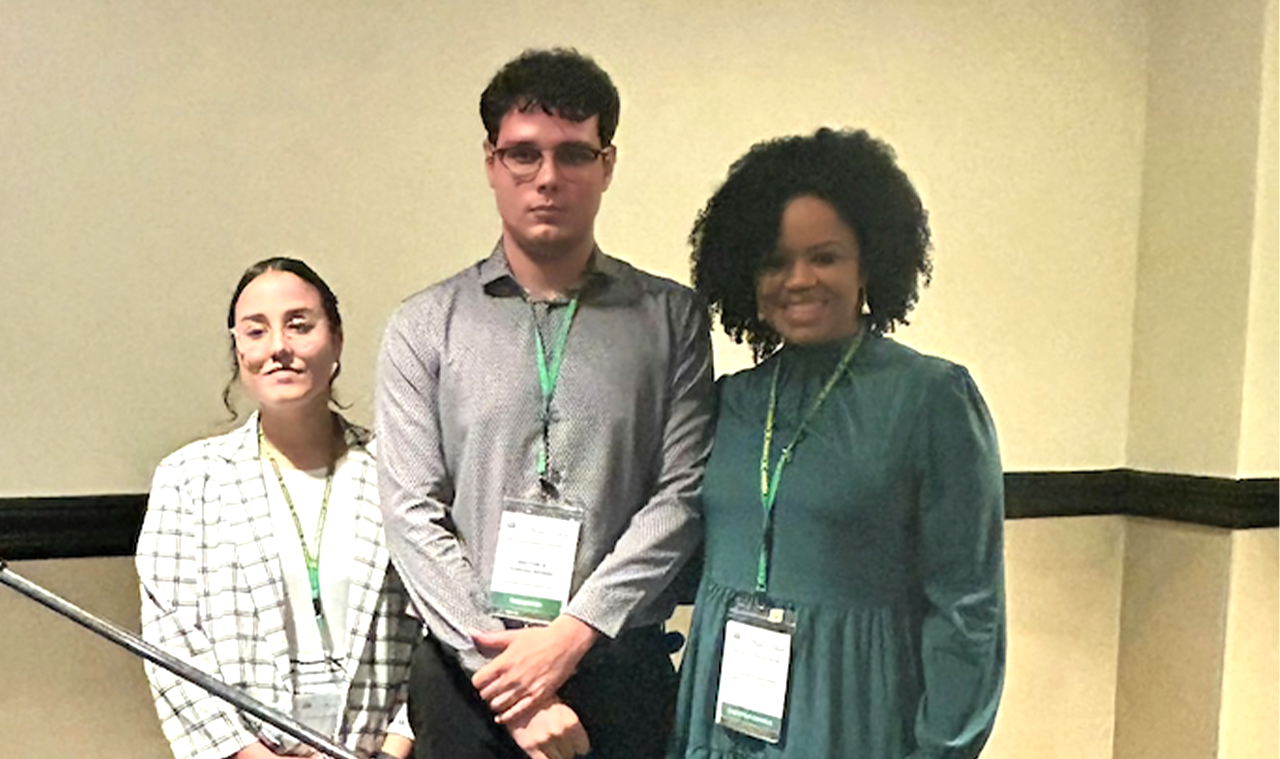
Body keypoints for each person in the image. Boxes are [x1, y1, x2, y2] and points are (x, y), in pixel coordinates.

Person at [376, 48, 714, 759]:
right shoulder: (423, 324)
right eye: (523, 154)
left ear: (608, 164)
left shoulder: (672, 318)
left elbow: (679, 497)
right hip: (470, 675)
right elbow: (412, 513)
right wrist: (512, 683)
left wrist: (570, 635)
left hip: (617, 667)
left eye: (573, 153)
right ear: (492, 163)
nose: (548, 178)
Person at [668, 128, 1005, 759]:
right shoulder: (730, 401)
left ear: (868, 264)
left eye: (824, 256)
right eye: (774, 261)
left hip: (853, 709)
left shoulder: (931, 398)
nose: (798, 279)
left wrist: (942, 749)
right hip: (724, 711)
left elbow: (968, 607)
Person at [137, 257, 420, 759]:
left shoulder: (399, 473)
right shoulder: (188, 480)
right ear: (238, 349)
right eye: (256, 331)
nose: (278, 348)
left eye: (299, 325)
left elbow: (432, 630)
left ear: (336, 340)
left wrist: (395, 749)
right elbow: (171, 648)